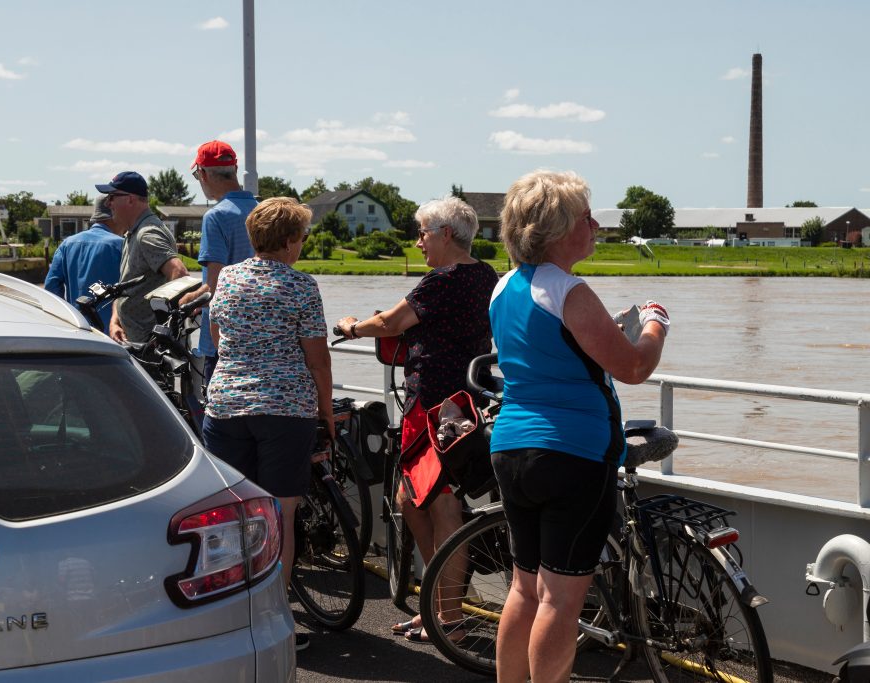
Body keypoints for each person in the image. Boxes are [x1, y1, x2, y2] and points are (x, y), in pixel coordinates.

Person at [489, 170, 669, 683]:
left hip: (512, 448)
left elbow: (543, 354)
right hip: (572, 454)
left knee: (524, 589)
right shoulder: (569, 290)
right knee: (561, 601)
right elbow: (634, 368)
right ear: (556, 229)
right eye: (584, 218)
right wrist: (656, 325)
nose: (594, 225)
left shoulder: (504, 287)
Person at [335, 196, 498, 642]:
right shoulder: (486, 275)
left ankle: (449, 619)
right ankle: (436, 606)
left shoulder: (440, 281)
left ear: (446, 233)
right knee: (412, 502)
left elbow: (390, 322)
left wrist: (350, 326)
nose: (419, 241)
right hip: (461, 400)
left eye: (423, 232)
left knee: (439, 504)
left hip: (434, 407)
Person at [202, 197, 332, 653]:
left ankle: (226, 621)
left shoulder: (229, 278)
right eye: (302, 237)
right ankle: (274, 623)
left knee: (228, 518)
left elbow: (219, 338)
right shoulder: (300, 286)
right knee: (280, 517)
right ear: (292, 240)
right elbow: (317, 360)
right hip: (283, 412)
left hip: (226, 406)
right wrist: (327, 413)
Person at [94, 171, 190, 343]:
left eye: (112, 196)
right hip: (136, 342)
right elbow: (125, 287)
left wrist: (161, 328)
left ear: (130, 199)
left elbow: (179, 274)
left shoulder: (146, 234)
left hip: (150, 348)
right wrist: (115, 320)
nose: (108, 203)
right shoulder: (132, 233)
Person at [193, 140, 257, 385]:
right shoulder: (261, 211)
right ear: (235, 169)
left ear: (203, 173)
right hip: (259, 335)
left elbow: (214, 285)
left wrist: (186, 300)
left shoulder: (216, 216)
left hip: (223, 339)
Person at [44, 195, 123, 334]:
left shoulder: (67, 244)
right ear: (113, 216)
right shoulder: (121, 245)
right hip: (114, 332)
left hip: (79, 329)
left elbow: (51, 287)